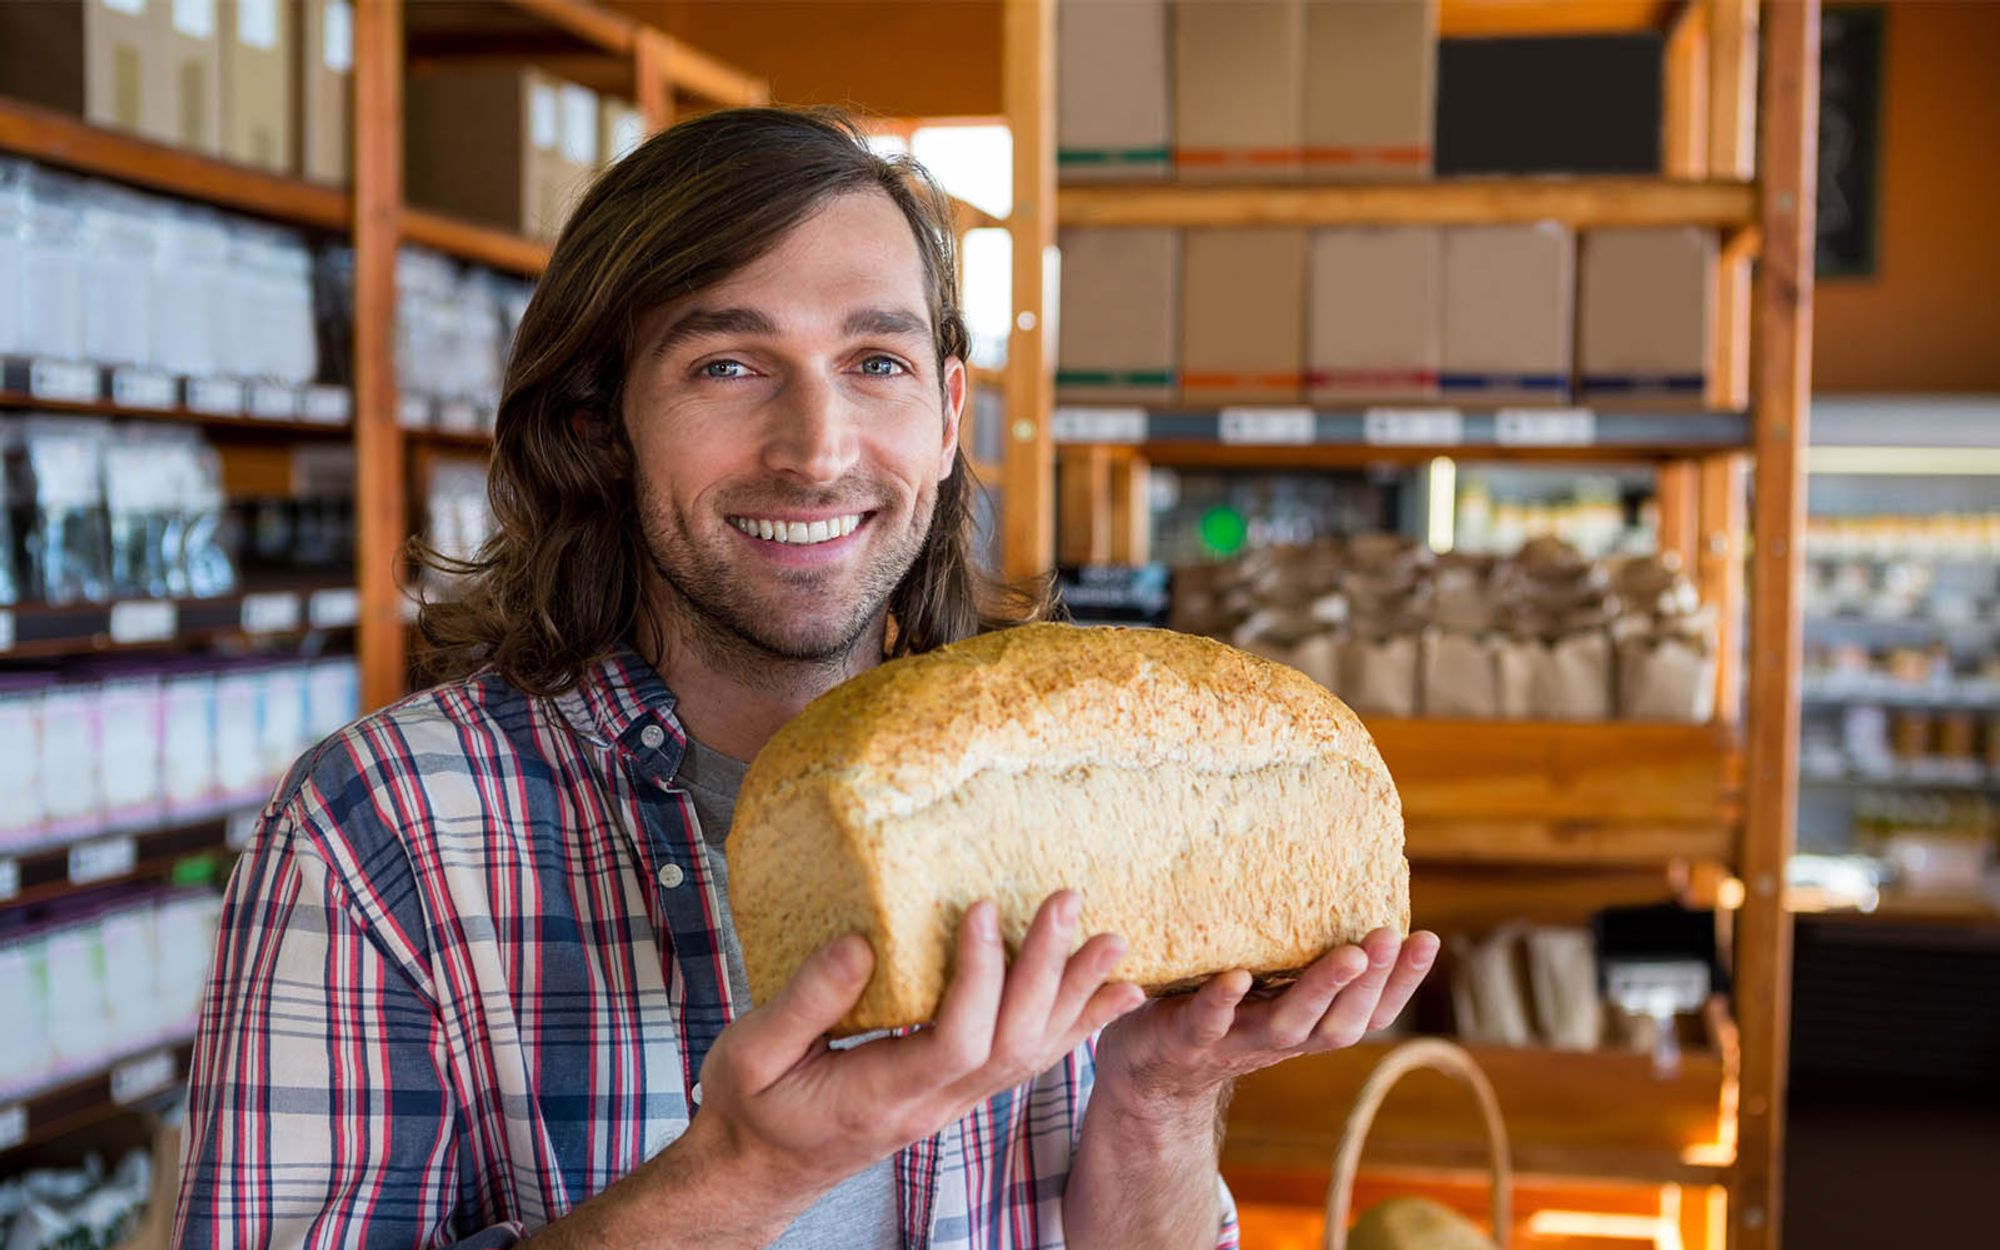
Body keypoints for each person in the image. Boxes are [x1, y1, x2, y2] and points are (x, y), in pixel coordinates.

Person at [172, 107, 1439, 1250]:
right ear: (598, 420)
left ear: (948, 418)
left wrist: (1160, 1097)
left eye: (874, 363)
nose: (817, 447)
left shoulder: (1065, 801)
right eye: (728, 364)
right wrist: (747, 1173)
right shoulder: (380, 831)